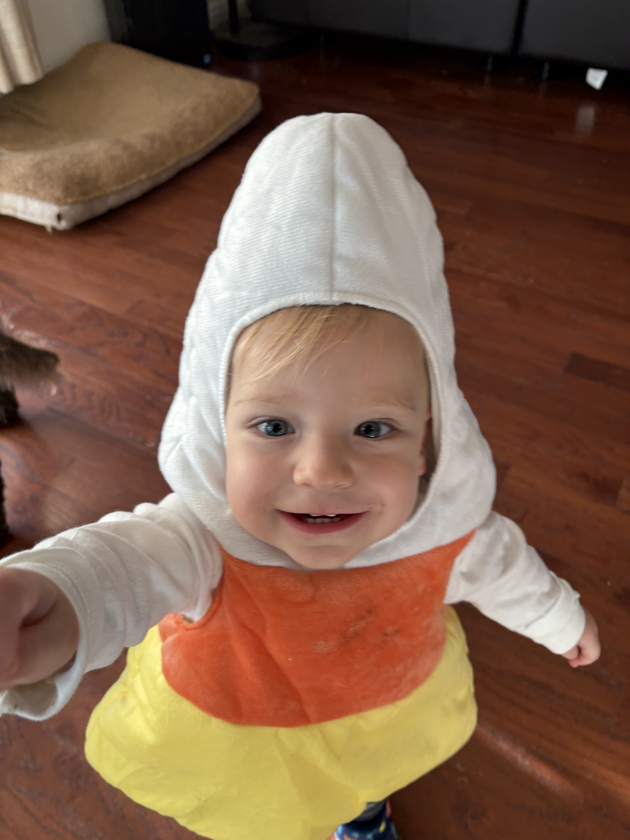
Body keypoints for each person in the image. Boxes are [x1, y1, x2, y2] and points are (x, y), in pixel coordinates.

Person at [0, 113, 600, 840]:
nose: (321, 472)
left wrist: (562, 620)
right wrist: (54, 598)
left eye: (373, 429)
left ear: (427, 445)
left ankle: (364, 815)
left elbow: (509, 574)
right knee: (265, 814)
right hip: (244, 749)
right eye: (274, 427)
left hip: (381, 720)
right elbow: (121, 566)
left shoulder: (452, 534)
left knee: (365, 781)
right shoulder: (201, 541)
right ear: (217, 435)